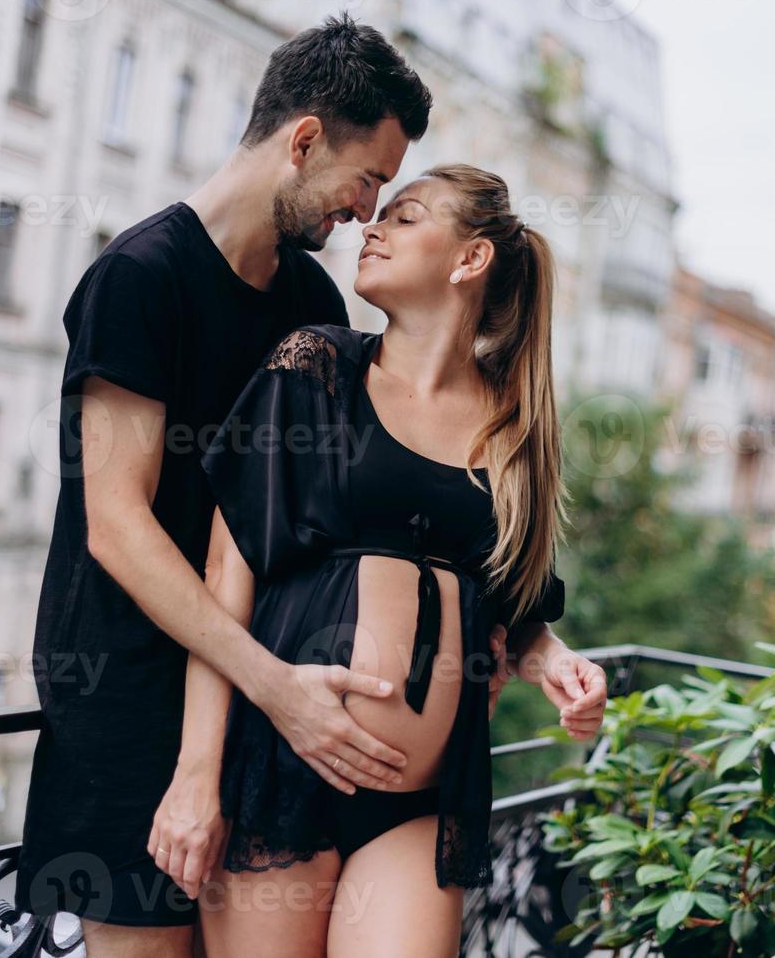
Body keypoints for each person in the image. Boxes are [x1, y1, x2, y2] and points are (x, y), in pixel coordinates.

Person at [15, 16, 437, 958]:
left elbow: (355, 505)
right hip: (127, 698)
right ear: (302, 142)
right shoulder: (138, 278)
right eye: (367, 180)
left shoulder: (312, 304)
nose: (368, 212)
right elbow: (116, 527)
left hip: (263, 705)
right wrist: (274, 686)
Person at [159, 165, 609, 958]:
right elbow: (226, 579)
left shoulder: (513, 430)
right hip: (282, 769)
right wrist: (196, 775)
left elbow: (513, 606)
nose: (372, 227)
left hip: (421, 802)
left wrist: (558, 662)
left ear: (468, 261)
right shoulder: (315, 368)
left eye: (403, 217)